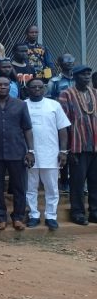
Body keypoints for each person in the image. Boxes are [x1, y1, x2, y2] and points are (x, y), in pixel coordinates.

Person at [0, 76, 34, 231]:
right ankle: (1, 217)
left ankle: (18, 217)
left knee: (20, 186)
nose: (2, 87)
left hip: (17, 151)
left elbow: (27, 128)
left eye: (5, 85)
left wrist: (30, 151)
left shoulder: (20, 104)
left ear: (10, 87)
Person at [25, 78, 70, 230]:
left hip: (51, 153)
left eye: (40, 87)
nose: (37, 89)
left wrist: (63, 151)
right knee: (30, 188)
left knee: (52, 188)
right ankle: (34, 215)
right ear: (27, 89)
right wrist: (27, 151)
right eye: (33, 87)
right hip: (29, 154)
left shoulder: (54, 105)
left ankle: (51, 216)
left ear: (44, 88)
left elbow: (62, 129)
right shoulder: (22, 105)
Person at [58, 65, 97, 225]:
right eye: (83, 74)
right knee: (77, 182)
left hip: (95, 146)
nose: (86, 77)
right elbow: (63, 124)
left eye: (88, 74)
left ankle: (94, 212)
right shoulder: (66, 94)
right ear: (74, 76)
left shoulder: (95, 93)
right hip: (77, 146)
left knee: (95, 181)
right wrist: (67, 150)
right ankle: (77, 213)